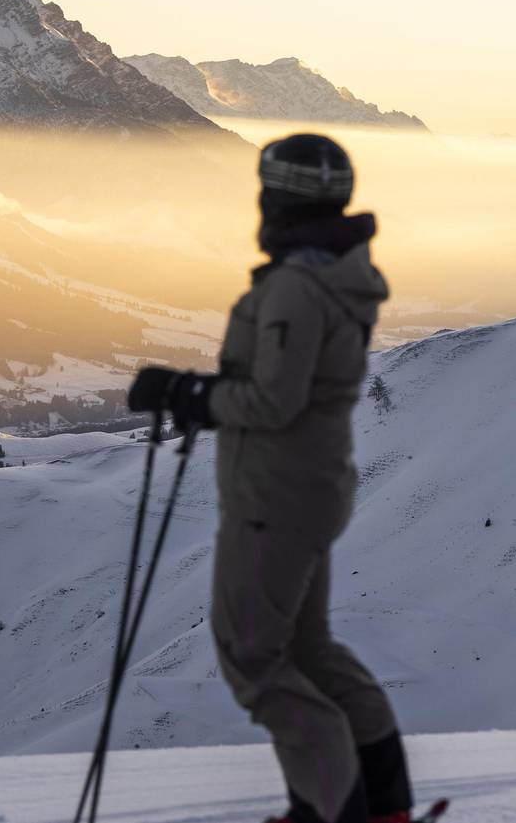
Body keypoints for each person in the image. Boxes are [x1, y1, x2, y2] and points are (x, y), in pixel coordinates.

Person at [128, 134, 415, 823]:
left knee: (254, 659)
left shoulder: (294, 287)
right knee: (308, 651)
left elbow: (273, 400)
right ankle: (381, 803)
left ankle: (337, 811)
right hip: (311, 486)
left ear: (279, 198)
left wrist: (191, 396)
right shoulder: (334, 275)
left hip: (275, 497)